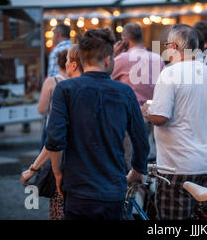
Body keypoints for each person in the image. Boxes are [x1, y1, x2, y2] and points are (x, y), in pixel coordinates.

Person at [45, 29, 149, 220]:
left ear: (82, 61)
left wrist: (58, 172)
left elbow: (54, 138)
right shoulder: (125, 92)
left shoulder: (65, 89)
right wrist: (137, 169)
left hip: (77, 188)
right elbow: (141, 141)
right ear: (108, 60)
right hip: (113, 189)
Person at [142, 24, 207, 220]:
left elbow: (160, 117)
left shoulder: (170, 73)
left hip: (177, 167)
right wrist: (205, 117)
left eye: (167, 44)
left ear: (175, 47)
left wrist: (147, 112)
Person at [21, 45, 83, 220]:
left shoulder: (65, 90)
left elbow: (55, 140)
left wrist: (37, 170)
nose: (65, 63)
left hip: (69, 170)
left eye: (67, 60)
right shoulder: (102, 89)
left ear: (74, 64)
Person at [112, 23, 165, 163]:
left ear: (125, 40)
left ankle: (134, 183)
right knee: (145, 155)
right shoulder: (157, 59)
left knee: (129, 157)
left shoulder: (122, 59)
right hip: (152, 115)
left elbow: (105, 78)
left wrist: (115, 55)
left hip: (129, 115)